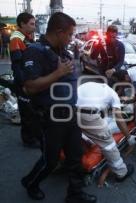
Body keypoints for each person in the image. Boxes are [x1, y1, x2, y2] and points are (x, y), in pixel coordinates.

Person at [20, 12, 97, 203]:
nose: (72, 39)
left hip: (69, 115)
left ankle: (75, 195)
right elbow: (30, 87)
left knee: (75, 156)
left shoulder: (63, 52)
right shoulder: (35, 51)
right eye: (70, 34)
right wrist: (58, 73)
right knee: (50, 160)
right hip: (50, 118)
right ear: (59, 31)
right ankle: (30, 182)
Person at [77, 81, 135, 181]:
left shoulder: (93, 85)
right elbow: (119, 119)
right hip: (89, 115)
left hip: (70, 110)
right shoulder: (114, 95)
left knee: (93, 127)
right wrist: (129, 137)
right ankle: (121, 173)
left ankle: (84, 139)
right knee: (109, 145)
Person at [9, 12, 40, 148]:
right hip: (24, 83)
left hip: (30, 81)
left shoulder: (26, 37)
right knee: (27, 112)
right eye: (31, 24)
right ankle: (28, 139)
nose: (34, 27)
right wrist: (23, 84)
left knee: (33, 111)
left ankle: (34, 136)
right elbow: (17, 65)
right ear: (22, 24)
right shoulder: (16, 38)